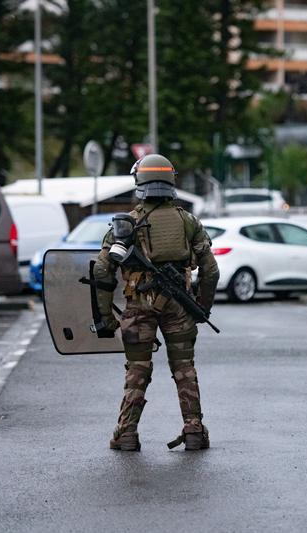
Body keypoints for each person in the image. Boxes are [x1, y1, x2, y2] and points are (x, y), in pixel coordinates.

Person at [92, 154, 219, 452]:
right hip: (180, 307)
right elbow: (211, 271)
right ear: (171, 181)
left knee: (137, 369)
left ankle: (126, 433)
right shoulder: (189, 222)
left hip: (138, 307)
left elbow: (101, 270)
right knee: (184, 368)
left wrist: (106, 317)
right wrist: (201, 307)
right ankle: (194, 431)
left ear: (140, 182)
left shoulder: (126, 225)